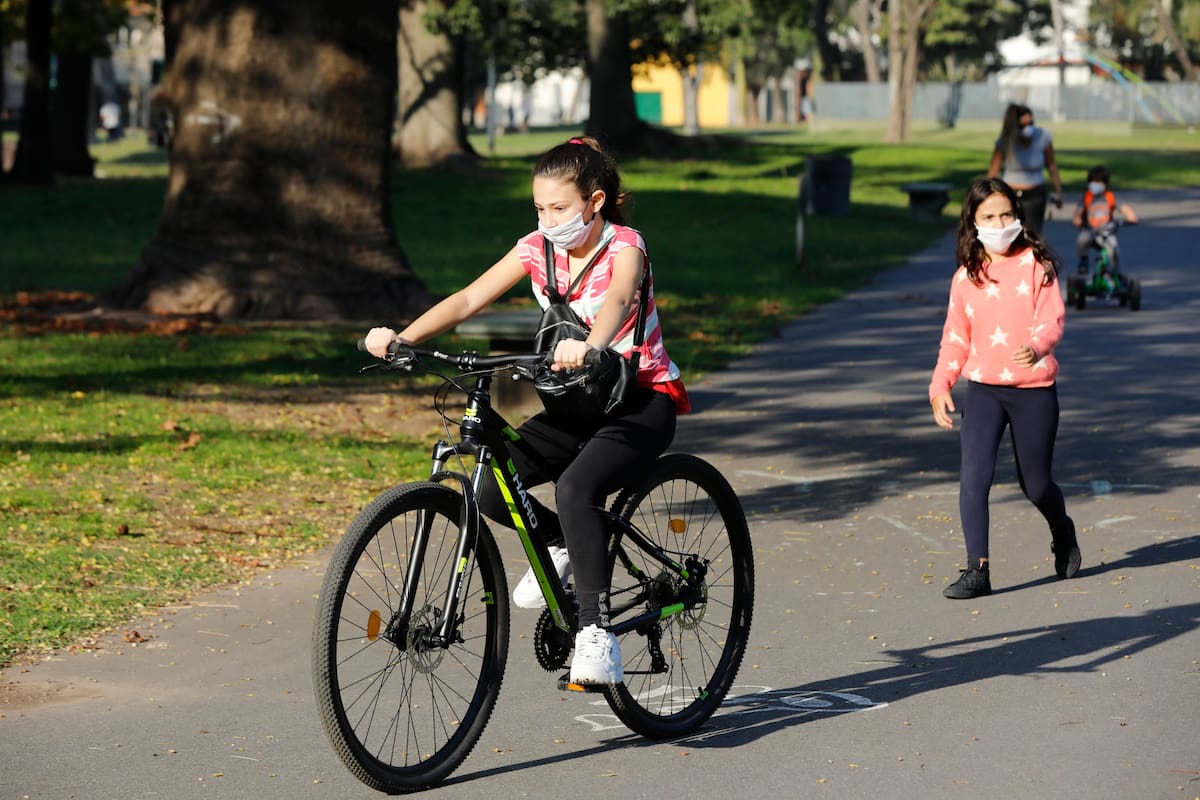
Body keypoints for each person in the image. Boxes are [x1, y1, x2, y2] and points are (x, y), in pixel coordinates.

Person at [363, 136, 690, 685]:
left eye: (560, 208)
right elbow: (469, 299)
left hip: (639, 402)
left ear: (595, 202)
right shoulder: (536, 249)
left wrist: (593, 345)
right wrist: (404, 338)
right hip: (577, 405)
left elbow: (618, 300)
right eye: (540, 208)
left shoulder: (625, 245)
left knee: (575, 489)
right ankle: (561, 544)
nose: (548, 220)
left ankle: (596, 634)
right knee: (492, 485)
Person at [929, 177, 1080, 599]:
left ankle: (1062, 529)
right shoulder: (966, 278)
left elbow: (1053, 321)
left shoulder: (1037, 266)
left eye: (1006, 214)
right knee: (974, 477)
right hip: (984, 391)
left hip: (1034, 390)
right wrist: (941, 384)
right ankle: (977, 569)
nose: (999, 224)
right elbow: (955, 338)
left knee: (1036, 484)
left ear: (1018, 216)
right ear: (973, 223)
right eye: (989, 217)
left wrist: (1037, 347)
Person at [986, 103, 1063, 236]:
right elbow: (994, 170)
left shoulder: (1042, 137)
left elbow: (1051, 165)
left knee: (1033, 234)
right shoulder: (1006, 141)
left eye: (1030, 123)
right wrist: (987, 195)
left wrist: (1058, 191)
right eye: (1023, 125)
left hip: (1035, 194)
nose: (1028, 128)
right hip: (1011, 194)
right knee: (1011, 233)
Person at [1071, 164, 1138, 275]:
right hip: (1091, 231)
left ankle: (1114, 272)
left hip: (1107, 232)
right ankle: (1083, 261)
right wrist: (1077, 219)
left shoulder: (1110, 196)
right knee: (1082, 239)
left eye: (1098, 182)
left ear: (1105, 183)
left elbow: (1125, 208)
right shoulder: (1087, 197)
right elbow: (1078, 212)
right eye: (1093, 181)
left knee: (1114, 249)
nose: (1095, 184)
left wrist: (1131, 217)